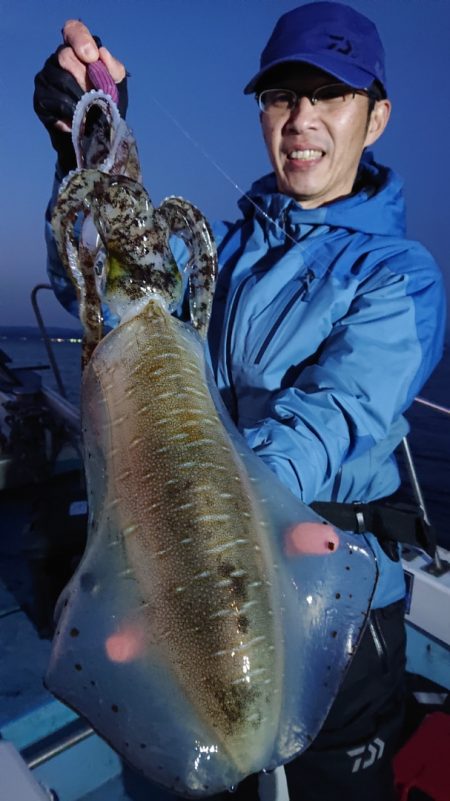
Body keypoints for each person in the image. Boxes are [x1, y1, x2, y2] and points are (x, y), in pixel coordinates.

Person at [33, 3, 446, 800]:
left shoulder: (401, 274)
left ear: (378, 116)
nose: (301, 120)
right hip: (185, 557)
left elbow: (335, 418)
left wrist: (190, 514)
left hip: (331, 594)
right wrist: (85, 148)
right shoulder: (221, 249)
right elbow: (105, 298)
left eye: (330, 95)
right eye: (282, 96)